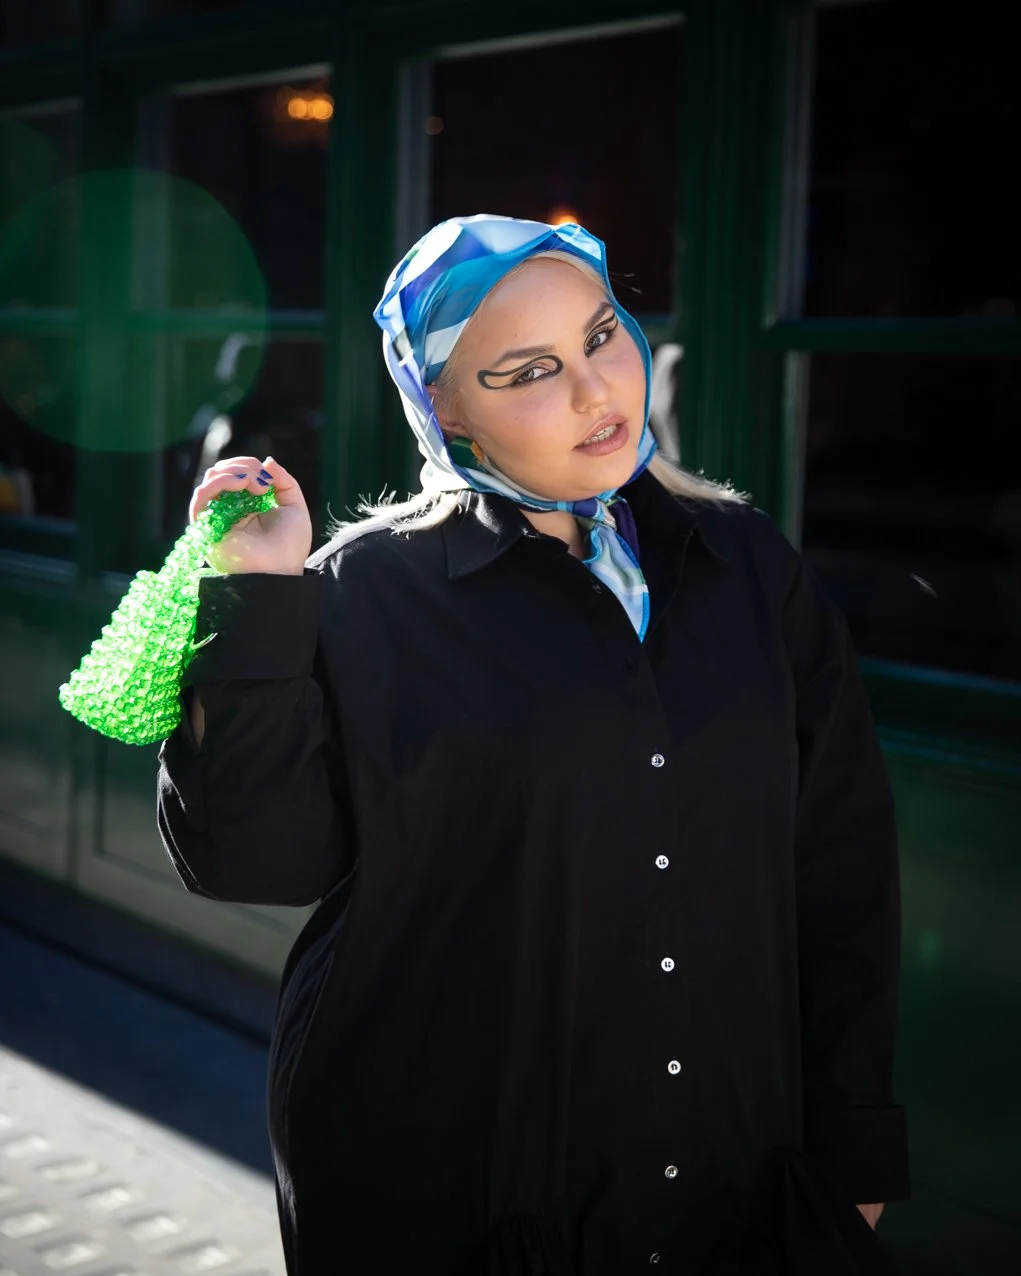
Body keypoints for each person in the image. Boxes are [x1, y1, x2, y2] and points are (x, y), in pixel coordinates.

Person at [157, 215, 909, 1275]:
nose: (598, 391)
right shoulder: (364, 594)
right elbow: (253, 862)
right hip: (448, 1195)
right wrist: (254, 598)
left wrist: (857, 1145)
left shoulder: (748, 565)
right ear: (445, 410)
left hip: (742, 1185)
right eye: (530, 371)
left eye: (601, 336)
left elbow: (841, 863)